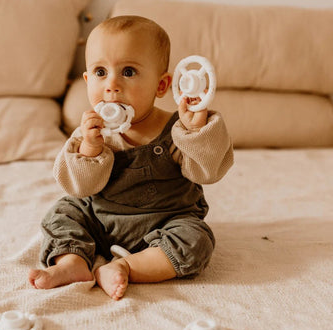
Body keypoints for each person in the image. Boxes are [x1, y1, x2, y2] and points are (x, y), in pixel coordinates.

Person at [29, 15, 233, 300]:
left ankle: (127, 266)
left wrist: (196, 131)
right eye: (100, 72)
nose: (111, 85)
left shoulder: (178, 128)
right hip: (100, 219)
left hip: (165, 221)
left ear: (161, 86)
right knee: (63, 212)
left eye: (128, 72)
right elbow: (78, 187)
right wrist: (90, 149)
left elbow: (208, 171)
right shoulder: (91, 132)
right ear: (87, 80)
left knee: (196, 240)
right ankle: (72, 263)